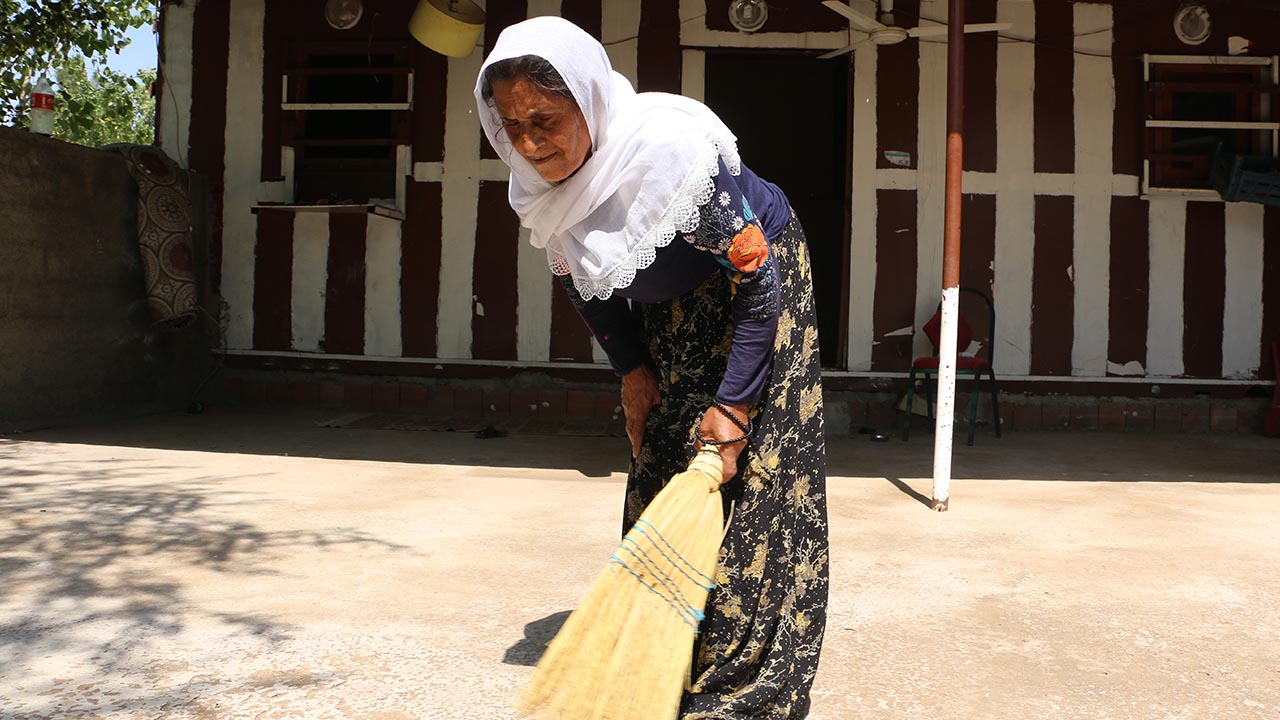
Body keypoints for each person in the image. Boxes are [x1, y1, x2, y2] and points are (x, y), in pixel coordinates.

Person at [475, 17, 829, 719]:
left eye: (544, 120)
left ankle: (741, 685)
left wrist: (733, 409)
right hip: (666, 303)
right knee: (665, 450)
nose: (527, 144)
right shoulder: (539, 186)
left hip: (759, 287)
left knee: (748, 470)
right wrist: (632, 373)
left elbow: (759, 286)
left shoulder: (668, 157)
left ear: (589, 101)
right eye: (510, 126)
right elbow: (579, 277)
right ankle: (663, 655)